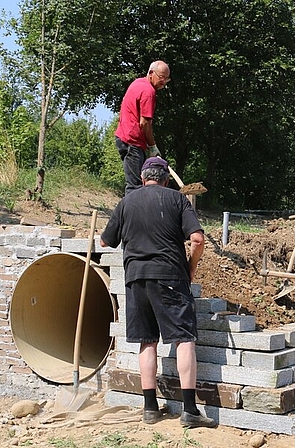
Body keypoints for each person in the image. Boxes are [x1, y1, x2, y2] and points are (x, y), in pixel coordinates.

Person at [100, 157, 216, 428]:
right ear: (165, 179)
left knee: (147, 340)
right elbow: (197, 239)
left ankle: (150, 408)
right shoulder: (177, 200)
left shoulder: (127, 201)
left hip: (136, 278)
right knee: (184, 339)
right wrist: (190, 267)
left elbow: (106, 241)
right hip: (170, 276)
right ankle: (189, 410)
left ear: (142, 178)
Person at [115, 60, 171, 196]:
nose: (163, 82)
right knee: (135, 187)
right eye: (161, 77)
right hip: (132, 141)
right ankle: (131, 217)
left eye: (166, 79)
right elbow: (145, 123)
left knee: (136, 184)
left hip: (125, 138)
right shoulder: (148, 91)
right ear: (151, 73)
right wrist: (152, 146)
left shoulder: (137, 83)